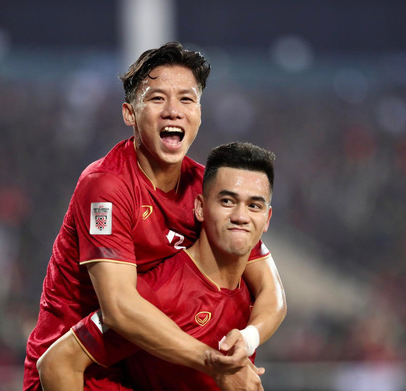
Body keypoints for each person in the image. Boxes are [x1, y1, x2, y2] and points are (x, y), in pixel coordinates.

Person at [23, 42, 287, 390]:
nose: (173, 111)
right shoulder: (107, 187)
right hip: (75, 368)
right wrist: (214, 362)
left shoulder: (205, 189)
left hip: (142, 363)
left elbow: (270, 288)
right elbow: (119, 308)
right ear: (130, 114)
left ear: (200, 113)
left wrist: (248, 339)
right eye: (157, 98)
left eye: (186, 99)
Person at [37, 141, 275, 390]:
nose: (240, 216)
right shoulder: (159, 294)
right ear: (200, 208)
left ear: (267, 219)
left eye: (254, 206)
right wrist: (213, 363)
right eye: (227, 201)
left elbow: (276, 298)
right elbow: (56, 363)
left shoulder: (252, 289)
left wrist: (248, 340)